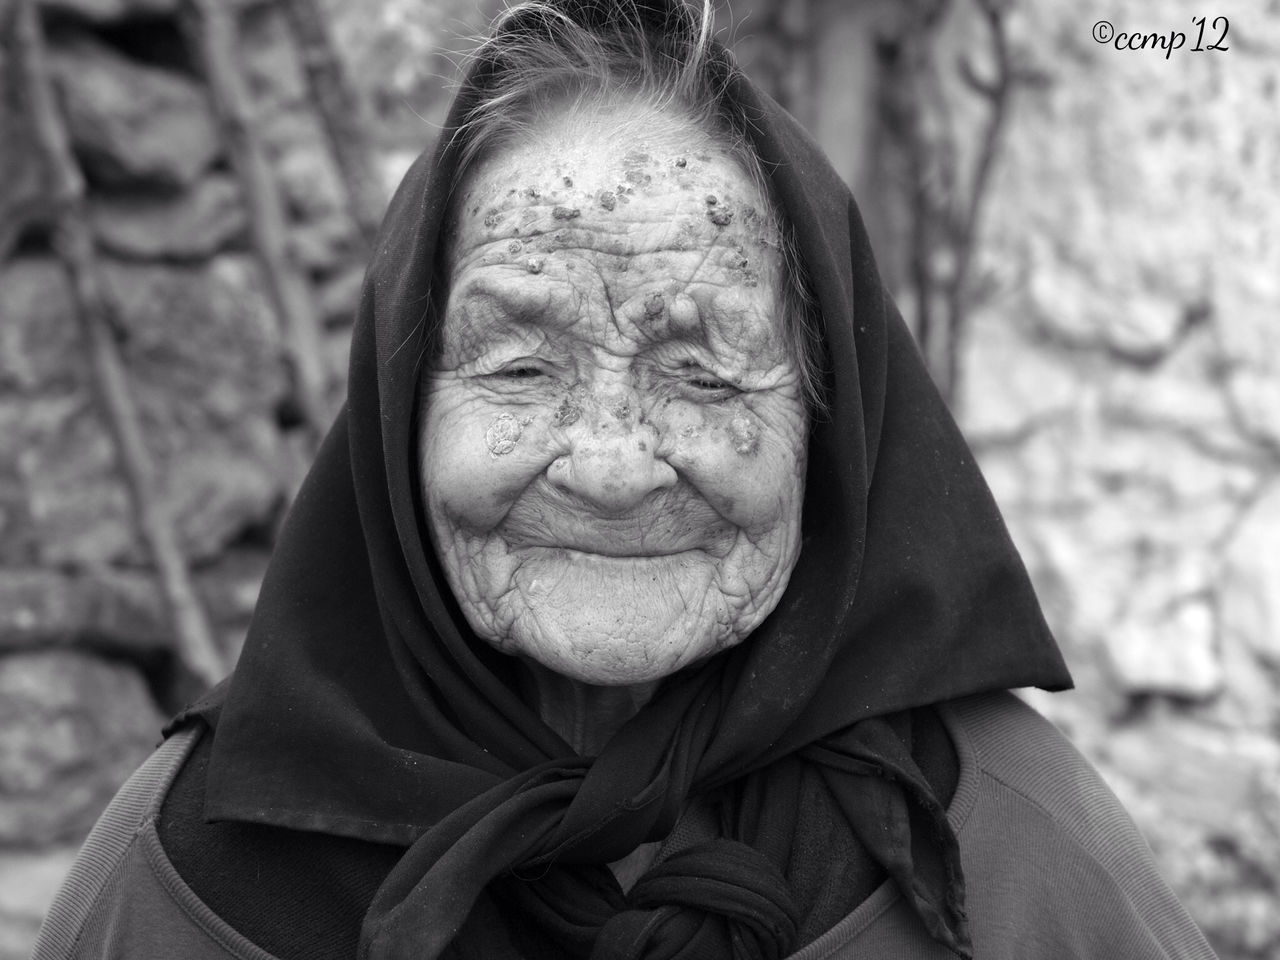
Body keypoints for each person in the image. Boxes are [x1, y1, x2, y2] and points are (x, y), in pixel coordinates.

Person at [33, 2, 1219, 958]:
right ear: (400, 421)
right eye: (517, 363)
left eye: (701, 374)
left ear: (826, 427)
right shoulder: (184, 879)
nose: (607, 466)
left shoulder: (1008, 848)